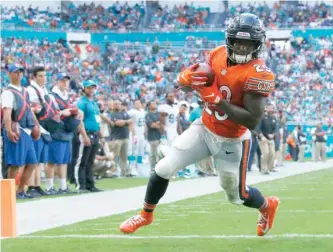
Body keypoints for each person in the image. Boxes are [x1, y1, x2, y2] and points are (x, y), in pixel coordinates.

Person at [120, 13, 279, 237]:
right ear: (229, 40)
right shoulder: (217, 54)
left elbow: (252, 120)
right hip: (204, 128)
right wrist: (185, 78)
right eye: (238, 41)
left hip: (232, 139)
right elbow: (193, 85)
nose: (242, 48)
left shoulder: (258, 73)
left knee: (236, 196)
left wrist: (217, 100)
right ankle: (146, 214)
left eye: (248, 43)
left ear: (257, 45)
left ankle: (267, 206)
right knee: (164, 167)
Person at [2, 64, 40, 199]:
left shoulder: (25, 91)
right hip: (16, 128)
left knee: (32, 162)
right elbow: (7, 113)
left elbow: (29, 109)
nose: (18, 75)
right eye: (15, 72)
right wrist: (8, 131)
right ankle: (9, 193)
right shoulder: (8, 92)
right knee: (15, 164)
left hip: (27, 130)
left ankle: (20, 190)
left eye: (20, 72)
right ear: (9, 74)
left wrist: (37, 125)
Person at [26, 66, 50, 196]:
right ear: (34, 77)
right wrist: (35, 124)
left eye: (44, 75)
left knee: (40, 159)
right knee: (33, 158)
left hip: (43, 126)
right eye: (40, 76)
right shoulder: (31, 90)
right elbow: (30, 108)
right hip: (35, 125)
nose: (43, 78)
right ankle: (30, 185)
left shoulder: (43, 90)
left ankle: (37, 184)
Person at [75, 80, 103, 192]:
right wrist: (84, 135)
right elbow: (79, 120)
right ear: (84, 89)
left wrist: (101, 136)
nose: (91, 90)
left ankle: (90, 184)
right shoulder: (82, 103)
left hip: (95, 133)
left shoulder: (94, 103)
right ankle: (80, 185)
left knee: (90, 161)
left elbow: (98, 120)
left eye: (92, 88)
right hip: (86, 133)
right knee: (82, 161)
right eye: (88, 88)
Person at [109, 99, 133, 177]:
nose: (118, 105)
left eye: (119, 104)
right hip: (116, 138)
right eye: (116, 104)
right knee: (115, 156)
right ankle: (113, 172)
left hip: (125, 137)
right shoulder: (112, 114)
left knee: (124, 156)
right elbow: (118, 123)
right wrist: (126, 122)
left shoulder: (124, 113)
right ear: (113, 106)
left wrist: (124, 122)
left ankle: (125, 172)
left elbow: (131, 121)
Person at [128, 99, 147, 175]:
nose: (138, 104)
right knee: (134, 151)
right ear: (133, 104)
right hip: (135, 134)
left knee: (141, 152)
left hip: (142, 134)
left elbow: (144, 123)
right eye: (136, 103)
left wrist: (145, 133)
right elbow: (130, 123)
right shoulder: (132, 112)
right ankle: (133, 168)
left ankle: (139, 168)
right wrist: (133, 134)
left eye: (139, 103)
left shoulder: (143, 111)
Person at [257, 104, 277, 174]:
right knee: (266, 153)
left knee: (272, 154)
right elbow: (258, 128)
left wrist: (273, 134)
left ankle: (269, 168)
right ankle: (263, 169)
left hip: (271, 139)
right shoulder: (262, 117)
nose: (270, 110)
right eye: (269, 108)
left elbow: (275, 129)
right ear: (266, 108)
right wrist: (262, 137)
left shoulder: (274, 118)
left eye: (271, 108)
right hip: (263, 138)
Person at [145, 101, 161, 173]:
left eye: (155, 103)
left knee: (161, 153)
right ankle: (153, 169)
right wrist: (158, 124)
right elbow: (151, 125)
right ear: (149, 106)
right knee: (153, 154)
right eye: (153, 103)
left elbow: (163, 123)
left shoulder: (159, 114)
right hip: (152, 136)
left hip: (160, 136)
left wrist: (158, 124)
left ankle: (160, 168)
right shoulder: (148, 114)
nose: (155, 104)